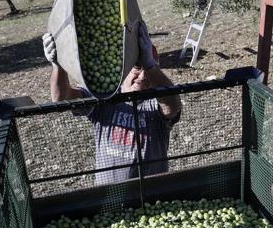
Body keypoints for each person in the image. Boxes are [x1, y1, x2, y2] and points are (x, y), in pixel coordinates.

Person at [42, 22, 182, 185]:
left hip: (153, 198)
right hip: (108, 199)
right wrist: (59, 65)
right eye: (137, 67)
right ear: (124, 68)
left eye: (149, 69)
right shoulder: (105, 97)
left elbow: (172, 103)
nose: (143, 76)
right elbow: (62, 98)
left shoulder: (155, 102)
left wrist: (150, 64)